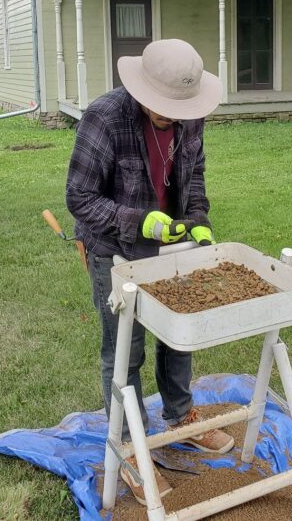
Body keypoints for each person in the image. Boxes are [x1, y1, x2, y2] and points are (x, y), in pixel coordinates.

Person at [66, 38, 233, 505]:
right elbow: (79, 198)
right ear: (141, 92)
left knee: (179, 333)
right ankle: (131, 447)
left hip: (172, 244)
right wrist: (137, 221)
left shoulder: (188, 114)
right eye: (164, 109)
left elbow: (194, 177)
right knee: (125, 349)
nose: (175, 118)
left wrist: (197, 224)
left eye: (181, 110)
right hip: (113, 248)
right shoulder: (105, 118)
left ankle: (179, 417)